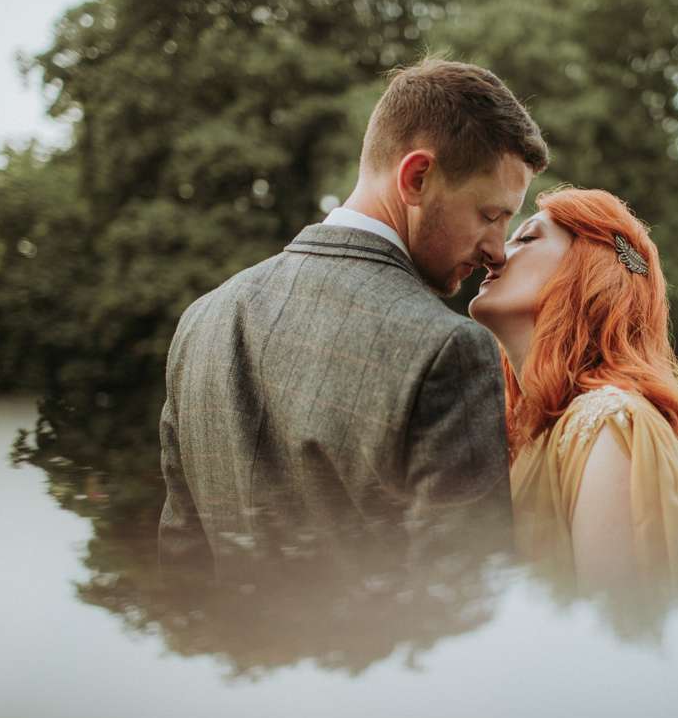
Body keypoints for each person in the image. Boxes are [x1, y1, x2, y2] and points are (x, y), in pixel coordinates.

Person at [158, 58, 548, 577]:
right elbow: (464, 601)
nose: (497, 250)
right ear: (417, 177)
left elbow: (181, 574)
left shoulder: (202, 320)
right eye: (491, 215)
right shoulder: (447, 349)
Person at [469, 187, 678, 595]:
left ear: (587, 271)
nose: (495, 253)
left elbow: (618, 624)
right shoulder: (530, 435)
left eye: (526, 238)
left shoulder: (610, 425)